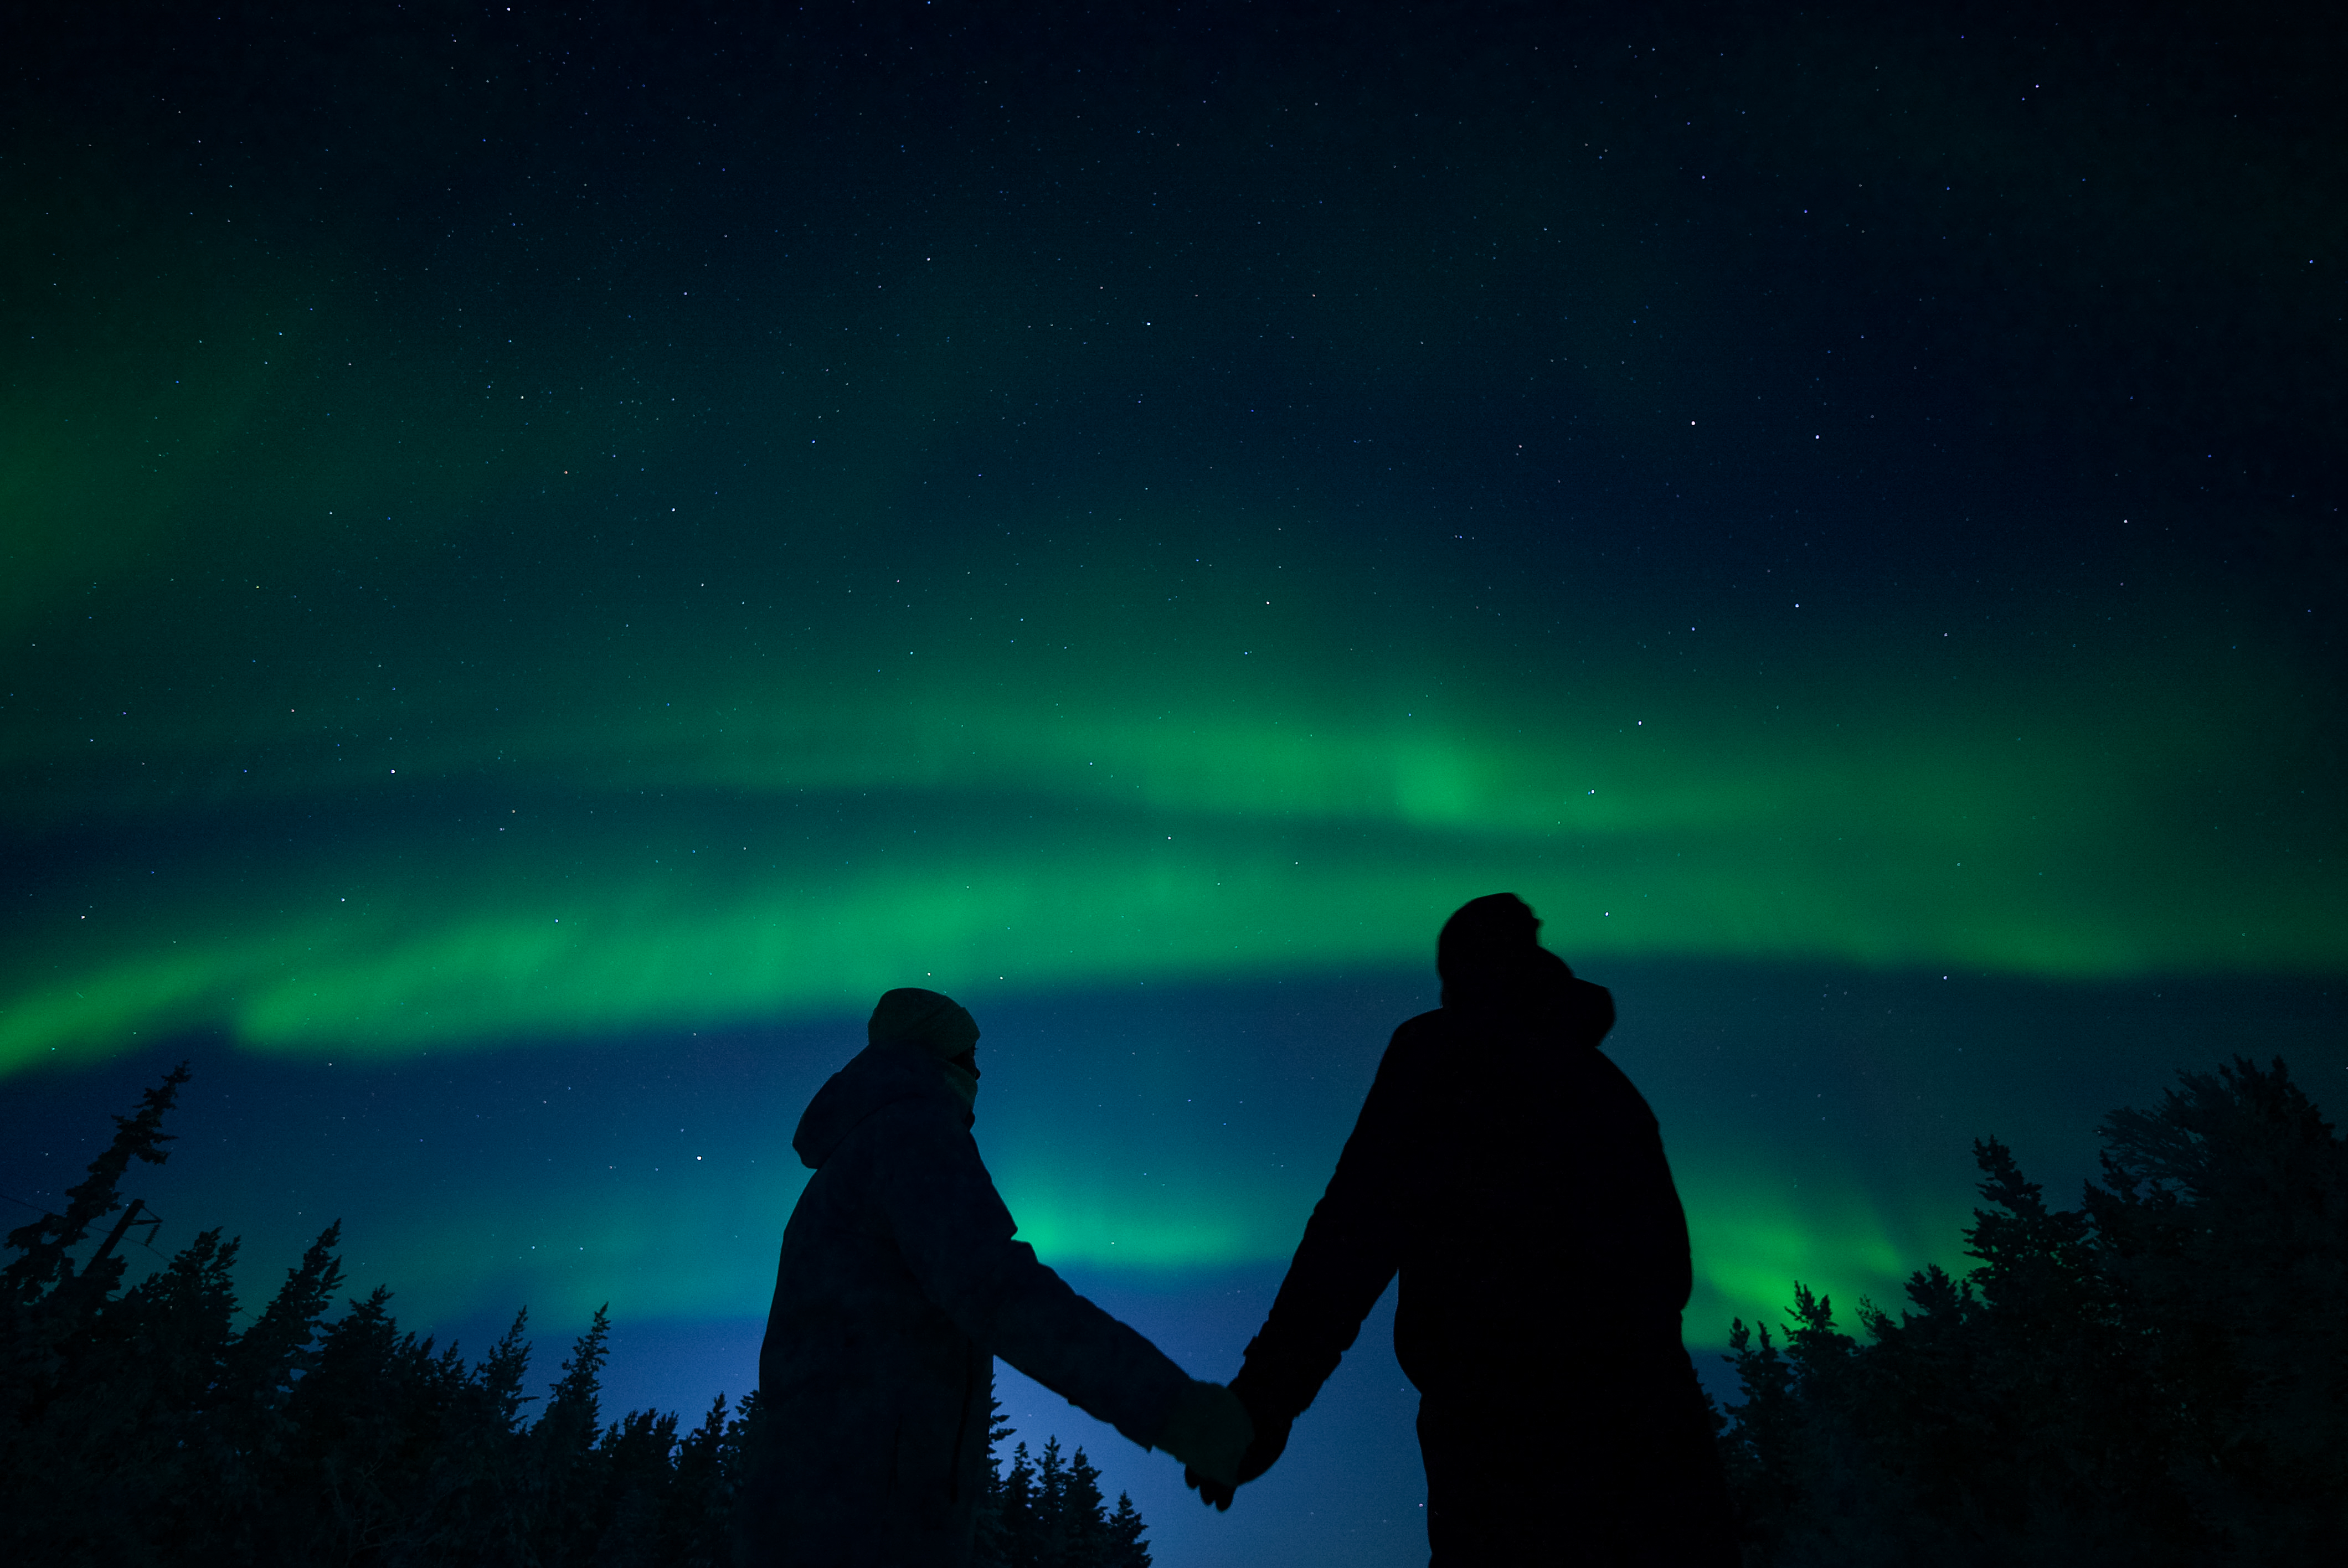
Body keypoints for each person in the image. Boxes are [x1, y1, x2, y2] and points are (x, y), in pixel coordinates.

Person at [1191, 894, 1738, 1565]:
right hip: (1656, 1439)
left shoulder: (1441, 1058)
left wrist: (1264, 1402)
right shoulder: (1606, 1087)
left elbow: (1352, 1235)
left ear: (1464, 973)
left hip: (1502, 1440)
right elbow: (1666, 1271)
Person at [737, 987, 1252, 1568]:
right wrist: (1177, 1411)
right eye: (968, 1055)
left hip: (813, 1505)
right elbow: (996, 1288)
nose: (978, 1070)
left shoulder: (850, 1159)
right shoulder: (912, 1134)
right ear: (937, 1057)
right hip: (864, 1519)